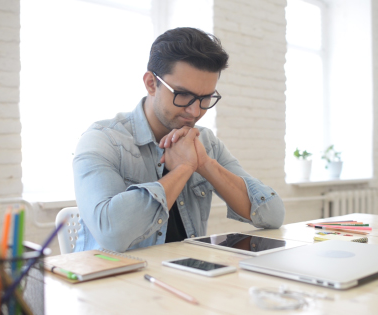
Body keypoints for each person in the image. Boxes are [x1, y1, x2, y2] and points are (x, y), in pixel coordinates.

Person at [73, 27, 285, 253]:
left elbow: (273, 215)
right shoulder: (103, 140)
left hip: (183, 275)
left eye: (205, 98)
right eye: (183, 94)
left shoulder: (206, 143)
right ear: (151, 84)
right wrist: (184, 168)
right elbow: (111, 234)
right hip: (112, 282)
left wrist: (204, 164)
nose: (195, 111)